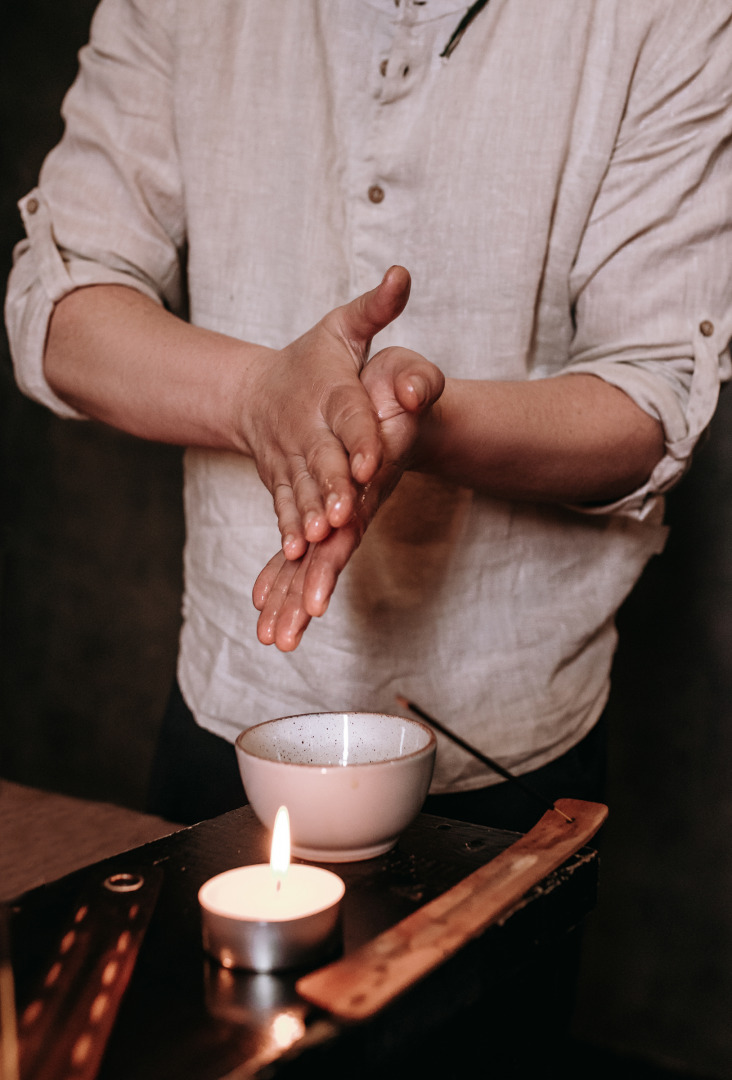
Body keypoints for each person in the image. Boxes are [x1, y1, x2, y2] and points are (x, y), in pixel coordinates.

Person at [5, 0, 732, 830]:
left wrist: (426, 427)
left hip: (510, 742)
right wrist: (257, 397)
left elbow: (650, 398)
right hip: (234, 704)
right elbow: (60, 311)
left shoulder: (671, 14)